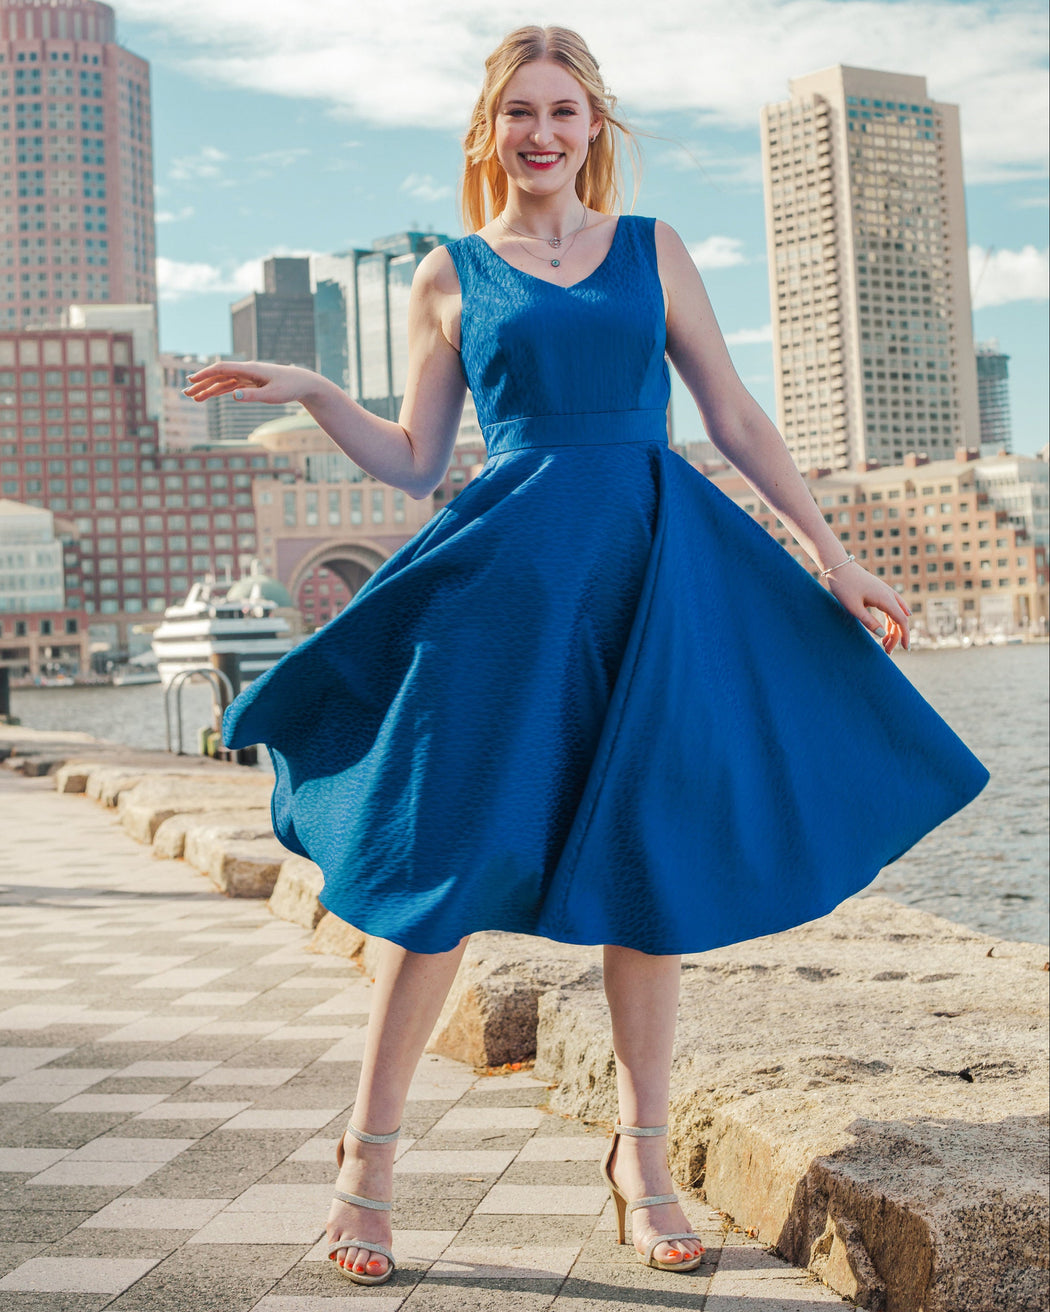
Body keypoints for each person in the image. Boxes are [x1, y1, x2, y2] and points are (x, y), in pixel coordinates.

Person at [183, 25, 989, 1288]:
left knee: (646, 864)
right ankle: (366, 1171)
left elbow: (729, 412)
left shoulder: (654, 248)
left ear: (595, 125)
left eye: (564, 110)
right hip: (509, 589)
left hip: (653, 577)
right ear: (489, 131)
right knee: (435, 873)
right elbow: (413, 457)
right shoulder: (447, 275)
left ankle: (645, 1163)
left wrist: (834, 558)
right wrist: (311, 389)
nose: (543, 132)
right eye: (520, 113)